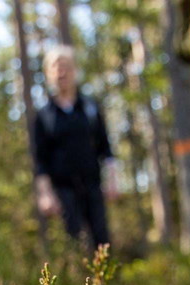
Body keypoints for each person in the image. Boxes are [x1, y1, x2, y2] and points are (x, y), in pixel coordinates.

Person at [31, 45, 115, 251]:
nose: (61, 72)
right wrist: (45, 194)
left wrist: (113, 180)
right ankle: (79, 281)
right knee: (74, 242)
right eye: (55, 67)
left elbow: (106, 147)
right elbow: (40, 160)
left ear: (75, 70)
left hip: (93, 185)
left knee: (101, 241)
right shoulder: (44, 116)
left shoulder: (90, 107)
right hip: (64, 190)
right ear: (48, 74)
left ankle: (104, 283)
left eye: (66, 66)